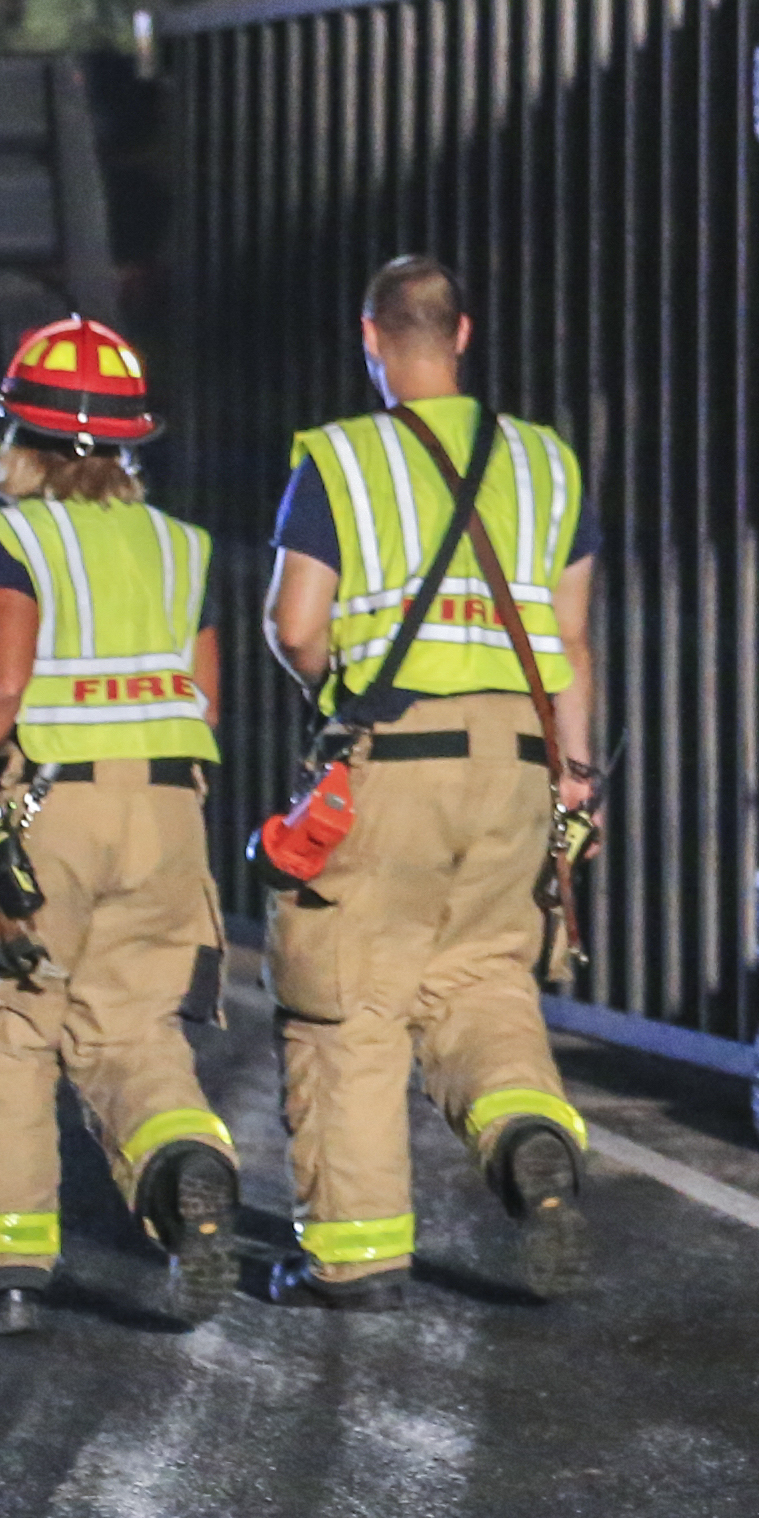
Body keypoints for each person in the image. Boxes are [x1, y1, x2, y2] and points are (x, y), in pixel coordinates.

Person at [259, 255, 601, 1308]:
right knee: (483, 976)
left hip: (393, 759)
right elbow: (573, 639)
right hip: (523, 768)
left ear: (371, 338)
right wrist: (576, 783)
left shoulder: (342, 462)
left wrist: (339, 697)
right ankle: (528, 1136)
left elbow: (295, 625)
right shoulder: (548, 463)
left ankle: (357, 1259)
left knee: (353, 998)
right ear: (461, 335)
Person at [0, 317, 245, 1336]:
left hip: (38, 819)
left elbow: (3, 685)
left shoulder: (11, 537)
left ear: (19, 436)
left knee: (6, 1026)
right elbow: (205, 699)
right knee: (132, 1025)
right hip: (166, 815)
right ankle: (182, 1158)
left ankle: (7, 1273)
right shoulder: (180, 546)